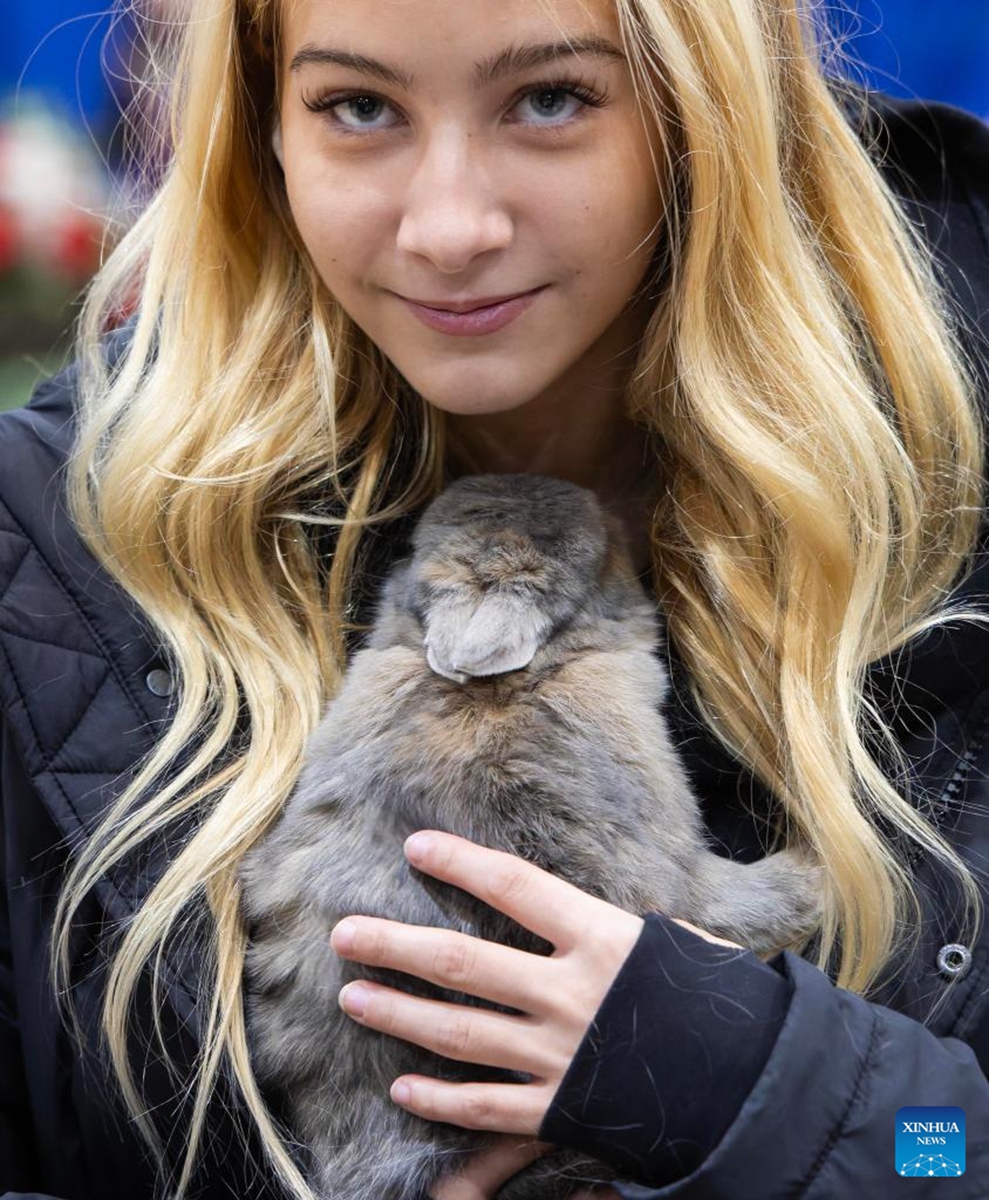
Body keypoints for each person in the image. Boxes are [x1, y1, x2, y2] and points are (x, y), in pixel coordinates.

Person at [1, 1, 988, 1198]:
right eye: (358, 108)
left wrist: (763, 1093)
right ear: (264, 126)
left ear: (703, 113)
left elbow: (950, 1156)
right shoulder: (54, 541)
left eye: (549, 99)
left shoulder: (955, 466)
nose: (450, 226)